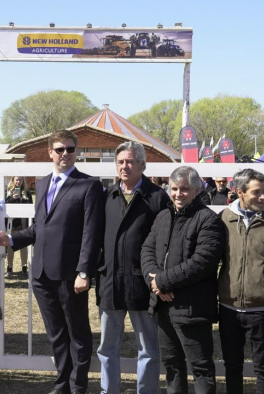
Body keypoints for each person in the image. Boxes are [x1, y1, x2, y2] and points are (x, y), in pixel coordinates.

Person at [0, 129, 104, 394]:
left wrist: (84, 271)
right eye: (60, 149)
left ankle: (78, 387)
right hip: (41, 273)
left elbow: (91, 232)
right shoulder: (41, 184)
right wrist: (11, 238)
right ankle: (62, 383)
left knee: (77, 333)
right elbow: (39, 228)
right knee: (56, 334)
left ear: (76, 152)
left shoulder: (89, 185)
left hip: (70, 274)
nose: (65, 154)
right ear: (50, 153)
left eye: (70, 149)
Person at [140, 166, 224, 394]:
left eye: (184, 189)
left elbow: (202, 262)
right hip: (164, 306)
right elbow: (147, 250)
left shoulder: (207, 220)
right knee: (172, 366)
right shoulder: (163, 216)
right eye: (174, 188)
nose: (178, 194)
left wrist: (162, 282)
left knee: (200, 368)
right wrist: (155, 285)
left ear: (197, 190)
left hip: (192, 309)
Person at [96, 141, 168, 394]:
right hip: (110, 283)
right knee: (107, 347)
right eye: (120, 162)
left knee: (147, 348)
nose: (124, 167)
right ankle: (109, 390)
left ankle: (146, 391)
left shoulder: (157, 197)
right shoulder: (107, 196)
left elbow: (165, 241)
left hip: (143, 284)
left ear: (142, 165)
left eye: (129, 161)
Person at [217, 168, 264, 394]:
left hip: (261, 309)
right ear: (240, 192)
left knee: (263, 367)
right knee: (232, 366)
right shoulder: (224, 218)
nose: (262, 197)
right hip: (229, 307)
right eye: (256, 192)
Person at [5, 176, 32, 278]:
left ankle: (24, 267)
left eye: (20, 180)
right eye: (16, 180)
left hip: (23, 223)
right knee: (10, 245)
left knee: (23, 246)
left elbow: (30, 206)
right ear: (13, 180)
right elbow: (5, 205)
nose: (18, 182)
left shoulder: (27, 192)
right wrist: (12, 198)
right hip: (11, 223)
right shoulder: (8, 191)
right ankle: (9, 267)